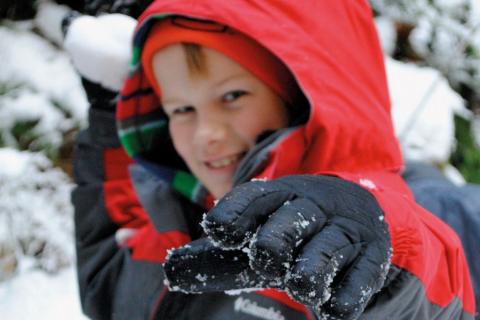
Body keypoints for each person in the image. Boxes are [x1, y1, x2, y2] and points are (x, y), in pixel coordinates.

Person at [69, 1, 476, 319]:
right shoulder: (178, 221)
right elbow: (106, 288)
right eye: (180, 109)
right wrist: (108, 117)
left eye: (233, 97)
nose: (205, 131)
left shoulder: (357, 230)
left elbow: (431, 292)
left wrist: (385, 264)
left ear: (297, 97)